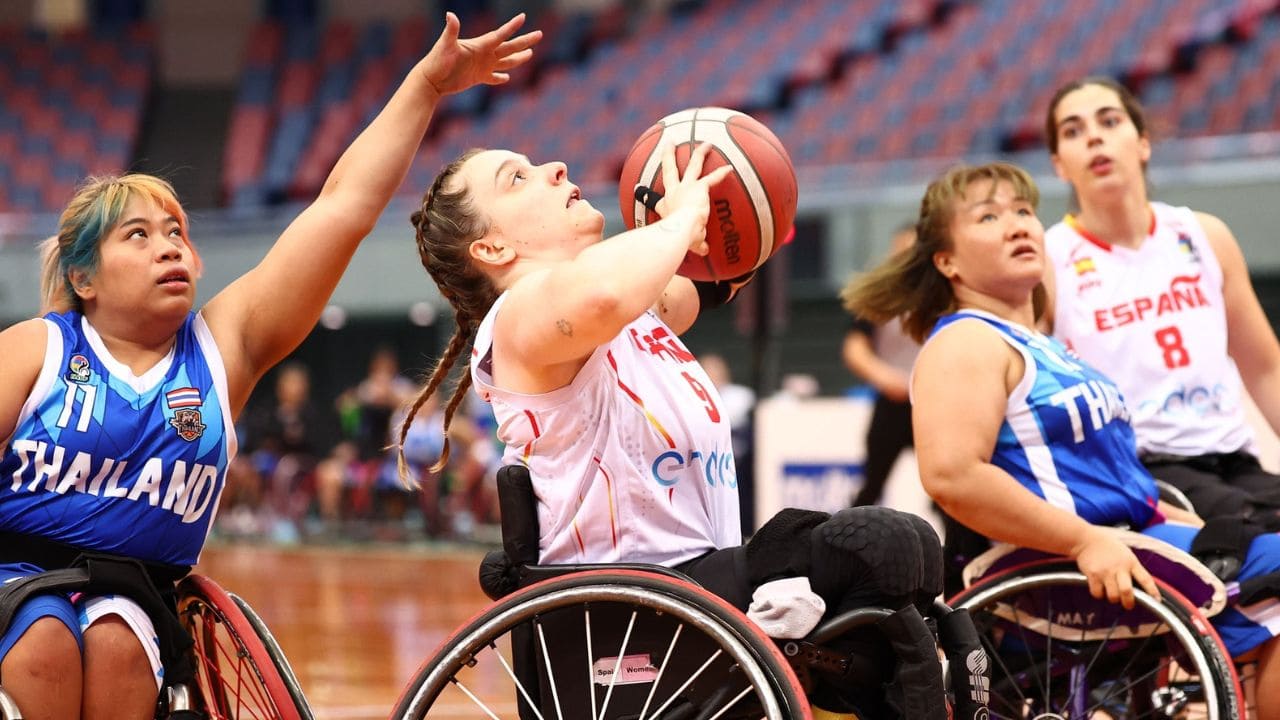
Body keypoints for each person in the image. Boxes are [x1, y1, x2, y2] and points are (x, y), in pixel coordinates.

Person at [0, 14, 540, 720]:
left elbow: (342, 210)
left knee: (114, 645)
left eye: (177, 233)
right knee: (43, 640)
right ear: (84, 277)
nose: (170, 247)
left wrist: (425, 86)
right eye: (140, 235)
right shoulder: (36, 348)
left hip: (139, 598)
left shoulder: (223, 348)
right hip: (17, 577)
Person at [397, 141, 949, 718]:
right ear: (491, 246)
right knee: (880, 546)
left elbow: (712, 277)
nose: (555, 168)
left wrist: (740, 200)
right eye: (518, 179)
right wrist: (683, 217)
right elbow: (606, 291)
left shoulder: (636, 314)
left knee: (905, 555)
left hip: (697, 585)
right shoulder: (517, 320)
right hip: (628, 608)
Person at [843, 161, 1280, 717]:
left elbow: (1110, 478)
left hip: (1128, 541)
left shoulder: (1046, 347)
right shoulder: (966, 343)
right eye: (989, 215)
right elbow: (952, 476)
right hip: (1058, 567)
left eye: (1024, 210)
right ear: (946, 260)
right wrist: (1081, 541)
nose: (1018, 224)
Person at [1041, 77, 1280, 526]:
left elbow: (1266, 368)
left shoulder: (1203, 235)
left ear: (1143, 144)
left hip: (1234, 459)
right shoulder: (1050, 261)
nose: (1094, 136)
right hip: (1141, 471)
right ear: (1059, 165)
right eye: (1073, 131)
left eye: (1109, 121)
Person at [839, 224, 920, 508]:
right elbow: (854, 347)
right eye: (899, 252)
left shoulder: (948, 296)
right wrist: (886, 378)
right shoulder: (881, 296)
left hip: (935, 407)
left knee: (950, 492)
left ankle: (961, 552)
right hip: (892, 401)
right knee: (872, 485)